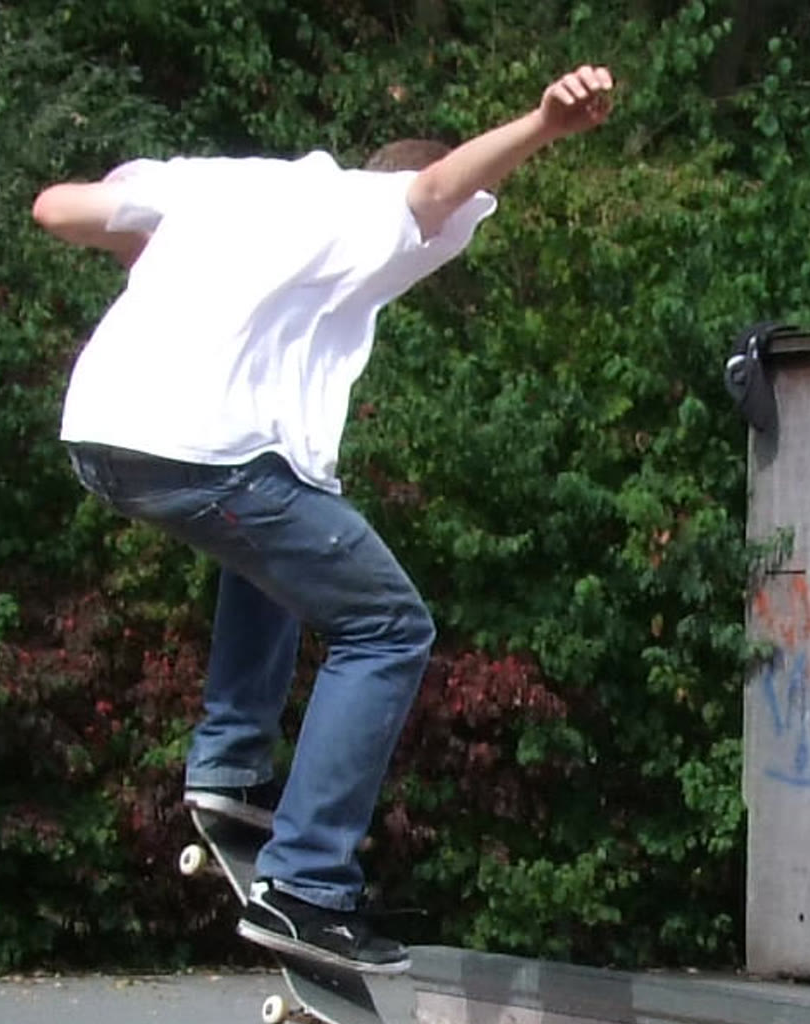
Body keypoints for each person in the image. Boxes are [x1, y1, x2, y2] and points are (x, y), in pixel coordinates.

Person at [31, 65, 616, 974]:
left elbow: (57, 209)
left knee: (284, 533)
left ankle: (230, 769)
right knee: (388, 627)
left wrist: (164, 263)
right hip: (205, 451)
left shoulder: (217, 184)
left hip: (103, 438)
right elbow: (436, 188)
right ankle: (305, 887)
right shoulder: (369, 207)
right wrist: (544, 124)